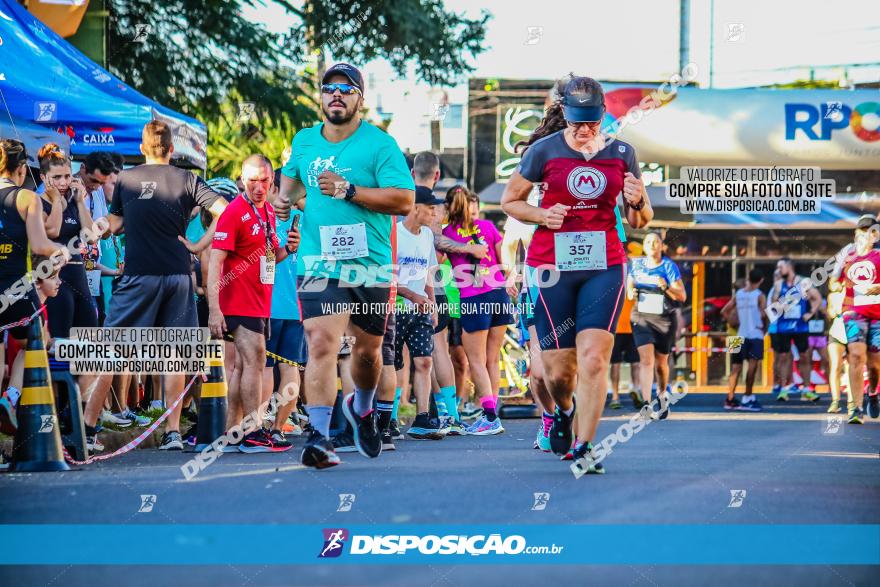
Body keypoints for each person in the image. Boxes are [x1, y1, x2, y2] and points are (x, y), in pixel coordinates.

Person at [501, 75, 653, 473]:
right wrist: (541, 214)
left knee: (593, 359)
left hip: (605, 267)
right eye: (576, 122)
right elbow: (510, 201)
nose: (585, 130)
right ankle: (564, 412)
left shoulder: (622, 153)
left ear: (603, 115)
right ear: (564, 115)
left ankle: (585, 446)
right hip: (551, 267)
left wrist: (637, 202)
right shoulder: (542, 152)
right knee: (555, 370)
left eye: (592, 121)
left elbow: (640, 219)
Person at [275, 63, 415, 468]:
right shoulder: (303, 142)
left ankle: (364, 408)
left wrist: (351, 190)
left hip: (369, 264)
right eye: (329, 88)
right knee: (321, 342)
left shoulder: (379, 144)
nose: (336, 95)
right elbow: (292, 187)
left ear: (360, 99)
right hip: (319, 261)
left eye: (346, 89)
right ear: (321, 97)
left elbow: (404, 201)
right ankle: (319, 436)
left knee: (369, 354)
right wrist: (285, 201)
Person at [81, 121, 227, 452]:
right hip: (178, 275)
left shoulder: (127, 179)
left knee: (114, 350)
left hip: (138, 275)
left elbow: (117, 219)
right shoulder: (188, 179)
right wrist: (199, 244)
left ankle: (88, 430)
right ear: (172, 149)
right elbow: (225, 210)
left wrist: (105, 225)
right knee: (174, 354)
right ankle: (172, 433)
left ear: (143, 148)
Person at [209, 155, 299, 452]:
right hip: (238, 302)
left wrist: (287, 248)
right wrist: (214, 310)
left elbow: (269, 260)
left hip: (261, 302)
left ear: (272, 181)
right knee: (256, 362)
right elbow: (215, 262)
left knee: (241, 368)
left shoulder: (268, 213)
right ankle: (252, 431)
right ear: (241, 180)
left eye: (264, 181)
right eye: (252, 181)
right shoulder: (234, 212)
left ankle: (232, 432)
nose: (258, 187)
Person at [0, 139, 65, 436]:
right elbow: (41, 243)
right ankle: (11, 399)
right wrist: (61, 251)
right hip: (16, 284)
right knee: (38, 341)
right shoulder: (27, 197)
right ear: (23, 168)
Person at [442, 188, 512, 435]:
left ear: (450, 206)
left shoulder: (446, 232)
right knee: (492, 359)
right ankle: (493, 413)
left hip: (474, 297)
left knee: (476, 361)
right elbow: (505, 259)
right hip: (499, 293)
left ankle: (490, 416)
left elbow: (438, 259)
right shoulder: (488, 226)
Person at [395, 186, 445, 439]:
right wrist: (414, 296)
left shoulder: (426, 235)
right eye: (431, 207)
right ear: (415, 207)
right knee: (392, 364)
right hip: (394, 308)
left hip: (421, 309)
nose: (435, 213)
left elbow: (428, 273)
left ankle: (423, 418)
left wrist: (432, 303)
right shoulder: (395, 233)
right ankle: (388, 417)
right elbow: (385, 277)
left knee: (424, 361)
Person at [627, 232, 686, 419]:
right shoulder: (635, 264)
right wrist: (632, 290)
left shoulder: (669, 266)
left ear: (662, 246)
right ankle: (646, 404)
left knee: (661, 364)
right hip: (641, 315)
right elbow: (628, 291)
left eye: (656, 242)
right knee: (646, 360)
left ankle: (662, 396)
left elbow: (682, 296)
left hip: (664, 318)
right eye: (649, 242)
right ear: (644, 246)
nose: (652, 244)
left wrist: (665, 286)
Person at [835, 215, 880, 423]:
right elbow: (834, 282)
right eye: (861, 230)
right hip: (853, 311)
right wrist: (836, 287)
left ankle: (872, 392)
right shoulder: (847, 255)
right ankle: (856, 408)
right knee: (855, 355)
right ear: (856, 234)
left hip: (878, 314)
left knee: (874, 364)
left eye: (870, 230)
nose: (865, 234)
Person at [769, 258, 822, 402]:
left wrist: (810, 313)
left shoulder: (803, 282)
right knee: (784, 357)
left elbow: (817, 298)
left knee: (804, 356)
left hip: (800, 326)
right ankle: (784, 389)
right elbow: (774, 305)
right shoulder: (779, 284)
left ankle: (806, 389)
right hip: (783, 327)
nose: (779, 270)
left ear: (789, 266)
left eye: (781, 267)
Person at [721, 269, 767, 411]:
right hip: (755, 334)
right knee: (752, 367)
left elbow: (724, 311)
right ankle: (747, 397)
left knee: (735, 368)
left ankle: (729, 399)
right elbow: (765, 314)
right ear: (760, 281)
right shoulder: (760, 295)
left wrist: (733, 321)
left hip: (737, 335)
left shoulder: (739, 295)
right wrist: (764, 329)